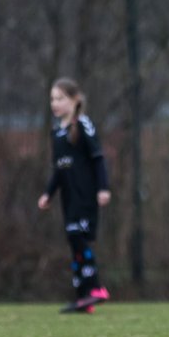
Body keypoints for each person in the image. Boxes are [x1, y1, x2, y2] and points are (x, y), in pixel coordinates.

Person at [37, 78, 112, 314]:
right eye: (52, 99)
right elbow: (59, 169)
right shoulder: (57, 133)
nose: (55, 103)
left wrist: (103, 188)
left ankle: (95, 288)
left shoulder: (83, 125)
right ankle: (83, 298)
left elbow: (98, 158)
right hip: (68, 199)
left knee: (80, 238)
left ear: (74, 100)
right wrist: (48, 194)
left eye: (60, 98)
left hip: (86, 196)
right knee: (74, 242)